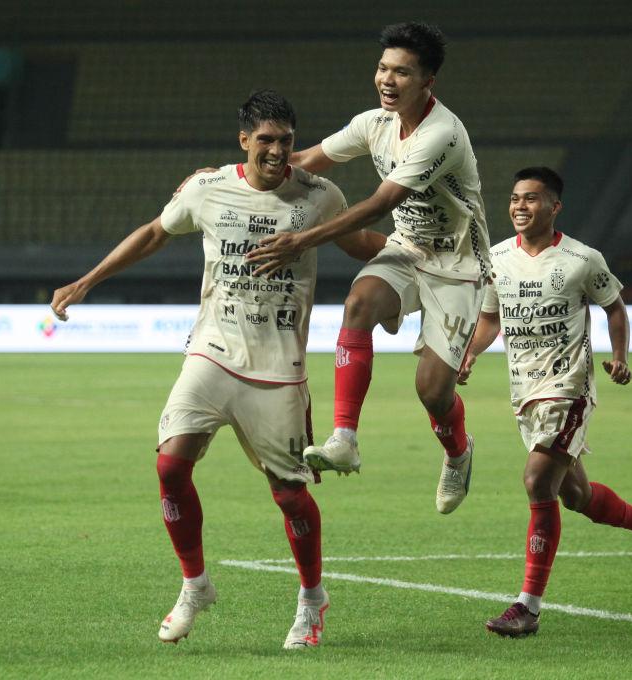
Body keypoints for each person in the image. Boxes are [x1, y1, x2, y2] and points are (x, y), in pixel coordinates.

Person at [51, 90, 384, 649]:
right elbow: (156, 232)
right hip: (212, 351)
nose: (277, 151)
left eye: (286, 140)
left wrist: (426, 260)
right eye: (266, 140)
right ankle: (194, 584)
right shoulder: (206, 188)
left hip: (279, 367)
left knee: (289, 494)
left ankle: (311, 599)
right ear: (244, 140)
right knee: (170, 466)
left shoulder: (320, 195)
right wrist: (87, 281)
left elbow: (358, 243)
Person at [244, 21, 490, 514]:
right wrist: (241, 178)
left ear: (427, 82)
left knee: (432, 391)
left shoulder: (441, 135)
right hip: (408, 248)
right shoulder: (373, 122)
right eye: (382, 68)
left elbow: (381, 202)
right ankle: (345, 438)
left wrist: (302, 240)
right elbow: (309, 158)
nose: (387, 80)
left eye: (402, 72)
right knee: (358, 303)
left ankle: (458, 452)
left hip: (460, 263)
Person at [457, 167, 632, 637]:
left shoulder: (581, 258)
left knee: (538, 482)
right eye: (515, 198)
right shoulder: (496, 258)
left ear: (554, 207)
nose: (519, 206)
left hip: (569, 387)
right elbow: (490, 318)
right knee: (575, 496)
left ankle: (527, 608)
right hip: (525, 393)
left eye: (532, 199)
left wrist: (619, 357)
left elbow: (613, 306)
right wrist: (471, 354)